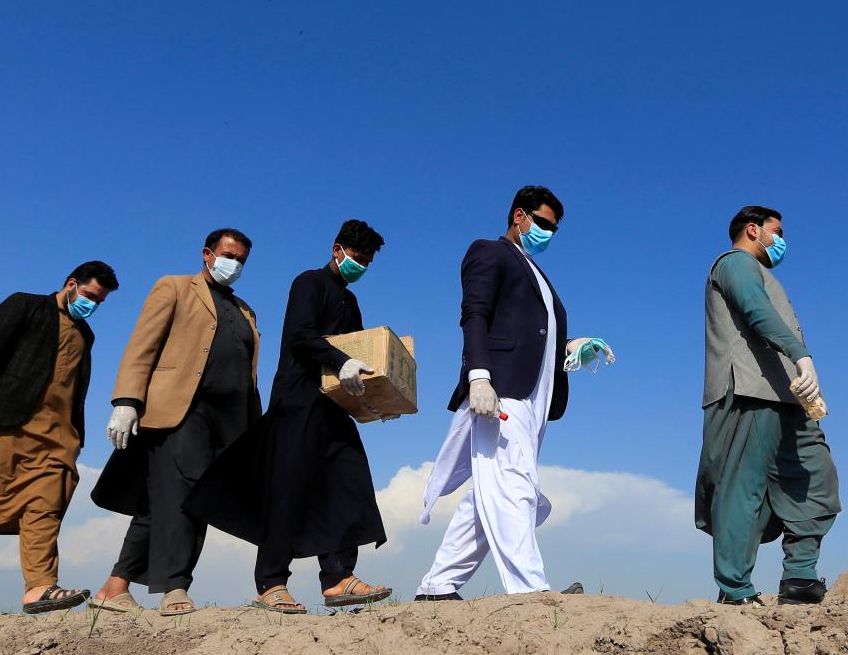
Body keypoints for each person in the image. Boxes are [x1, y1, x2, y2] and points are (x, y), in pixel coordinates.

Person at [187, 221, 390, 614]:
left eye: (367, 262)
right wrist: (341, 359)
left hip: (333, 410)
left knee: (347, 479)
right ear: (337, 249)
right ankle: (272, 582)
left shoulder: (350, 302)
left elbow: (360, 354)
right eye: (357, 258)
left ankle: (337, 577)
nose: (360, 267)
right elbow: (301, 335)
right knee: (287, 491)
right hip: (297, 405)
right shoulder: (308, 283)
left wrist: (378, 401)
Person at [414, 186, 598, 600]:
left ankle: (437, 586)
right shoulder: (489, 252)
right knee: (514, 482)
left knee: (489, 494)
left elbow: (537, 333)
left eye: (555, 228)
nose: (548, 233)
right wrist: (479, 376)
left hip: (534, 398)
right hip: (500, 390)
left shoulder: (538, 275)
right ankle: (532, 590)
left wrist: (571, 348)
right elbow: (474, 313)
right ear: (520, 216)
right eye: (544, 223)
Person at [0, 262, 119, 619]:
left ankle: (40, 586)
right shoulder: (25, 305)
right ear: (72, 284)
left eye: (100, 301)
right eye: (90, 295)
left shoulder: (85, 334)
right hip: (6, 426)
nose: (92, 304)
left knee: (46, 508)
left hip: (58, 438)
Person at [90, 229, 262, 616]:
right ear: (207, 254)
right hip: (181, 412)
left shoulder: (246, 310)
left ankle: (114, 587)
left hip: (229, 423)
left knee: (159, 502)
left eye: (241, 260)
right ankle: (174, 586)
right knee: (189, 495)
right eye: (228, 255)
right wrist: (127, 401)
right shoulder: (175, 287)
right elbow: (142, 343)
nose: (234, 265)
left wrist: (257, 430)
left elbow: (250, 376)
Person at [694, 206, 841, 606]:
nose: (782, 240)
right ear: (753, 230)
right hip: (747, 391)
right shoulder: (735, 263)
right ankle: (736, 590)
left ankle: (800, 577)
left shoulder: (766, 274)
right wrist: (801, 354)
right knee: (743, 492)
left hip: (788, 396)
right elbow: (756, 313)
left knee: (816, 477)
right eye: (777, 231)